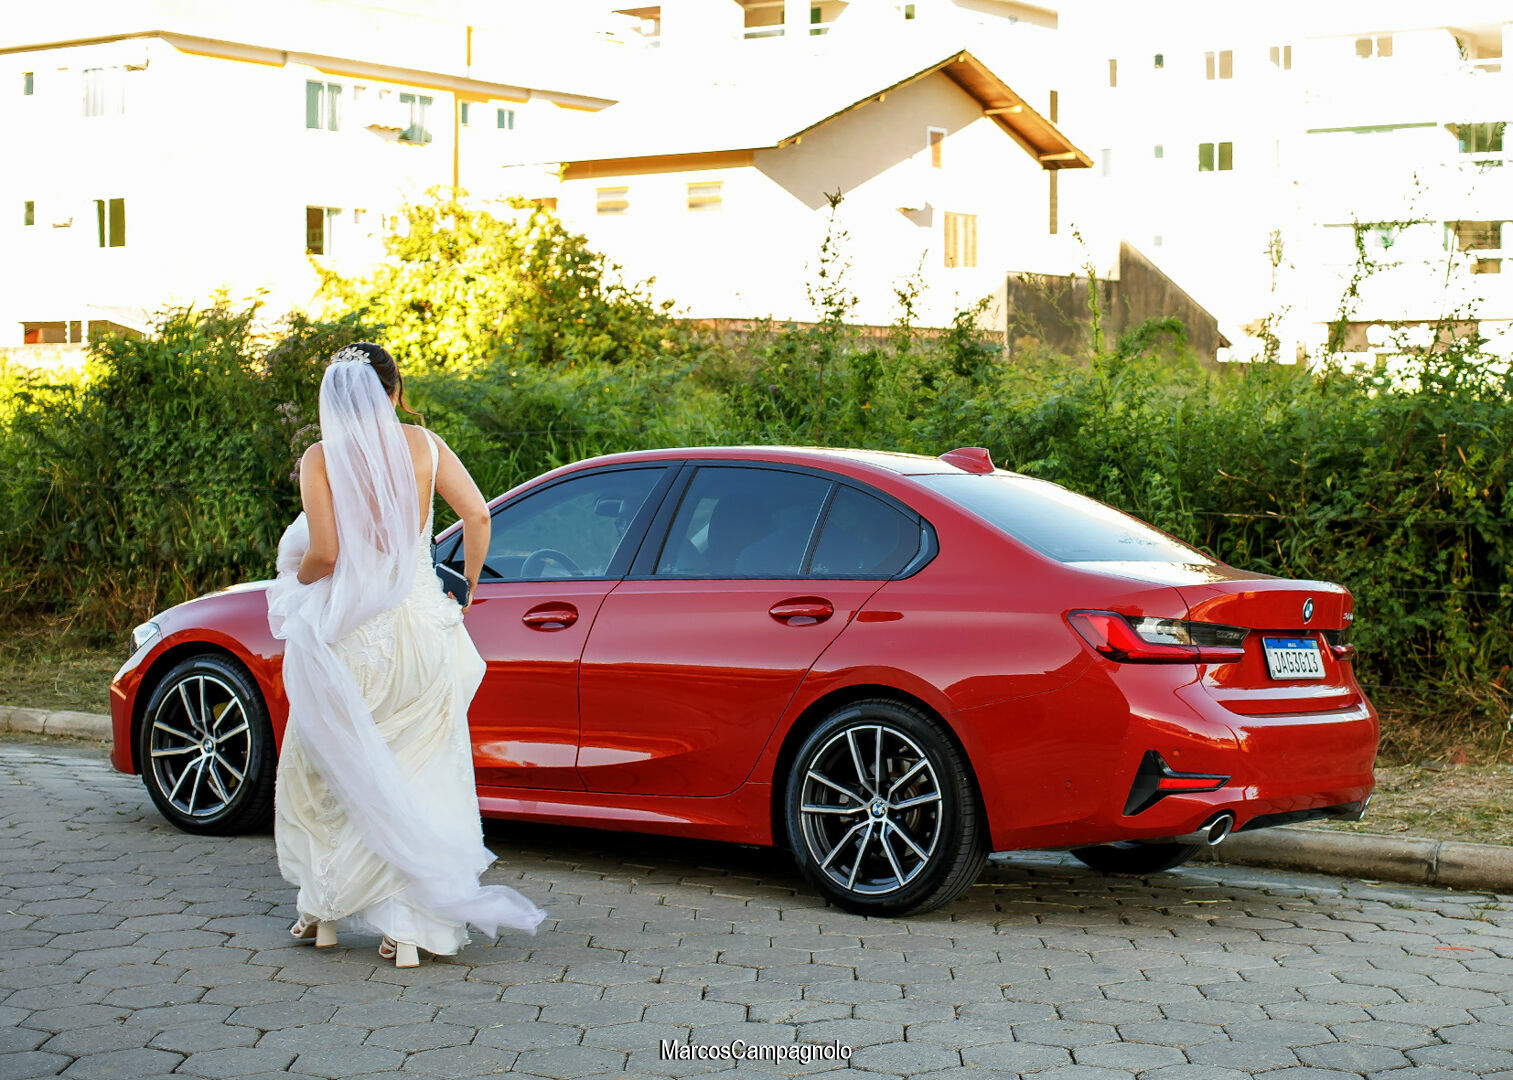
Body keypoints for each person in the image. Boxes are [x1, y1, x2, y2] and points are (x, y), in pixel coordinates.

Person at [267, 342, 545, 968]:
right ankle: (410, 927)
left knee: (331, 766)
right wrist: (466, 588)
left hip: (353, 638)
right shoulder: (424, 446)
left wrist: (295, 580)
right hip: (422, 629)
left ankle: (324, 911)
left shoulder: (320, 459)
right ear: (394, 392)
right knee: (420, 772)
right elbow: (476, 515)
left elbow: (329, 554)